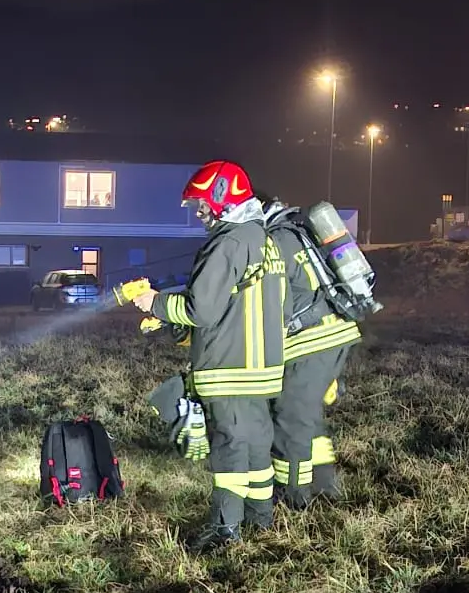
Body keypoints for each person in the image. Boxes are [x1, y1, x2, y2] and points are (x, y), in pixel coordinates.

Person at [132, 159, 286, 551]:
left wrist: (156, 304)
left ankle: (225, 529)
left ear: (222, 198)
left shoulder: (228, 242)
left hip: (230, 368)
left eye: (202, 204)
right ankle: (261, 521)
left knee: (231, 448)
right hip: (261, 368)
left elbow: (202, 309)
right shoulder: (263, 240)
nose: (199, 213)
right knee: (255, 446)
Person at [264, 198, 364, 510]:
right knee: (308, 418)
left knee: (291, 421)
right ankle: (324, 485)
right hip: (336, 331)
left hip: (310, 341)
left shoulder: (274, 241)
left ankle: (294, 498)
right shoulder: (297, 232)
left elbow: (273, 303)